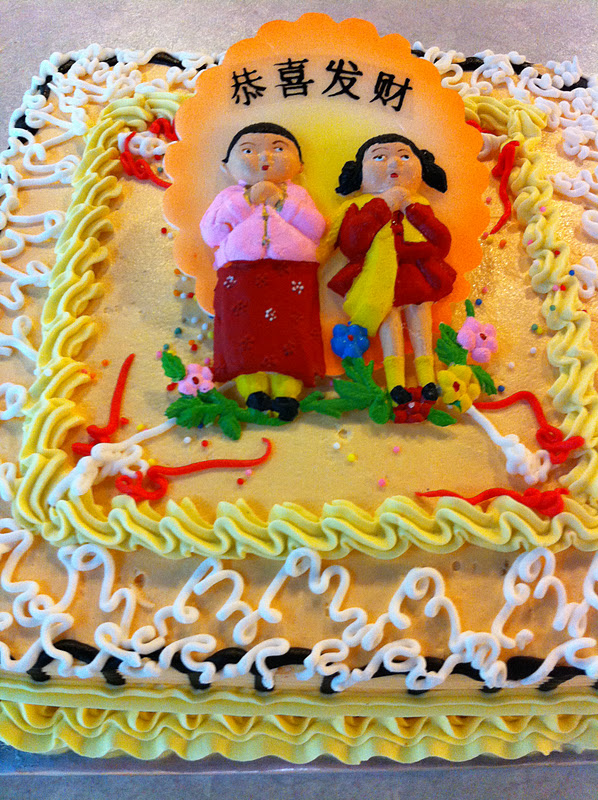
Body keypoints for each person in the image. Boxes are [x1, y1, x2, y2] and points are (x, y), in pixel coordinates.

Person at [200, 123, 326, 421]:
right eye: (248, 150)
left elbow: (316, 228)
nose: (265, 156)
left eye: (278, 148)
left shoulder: (297, 194)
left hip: (292, 273)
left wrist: (281, 202)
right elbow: (212, 232)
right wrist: (247, 201)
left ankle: (287, 389)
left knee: (290, 330)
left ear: (299, 165)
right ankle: (252, 388)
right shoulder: (229, 196)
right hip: (239, 274)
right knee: (244, 330)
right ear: (226, 167)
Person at [327, 133, 455, 405]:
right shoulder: (356, 205)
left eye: (404, 156)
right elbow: (352, 244)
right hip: (376, 277)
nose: (394, 164)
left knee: (421, 325)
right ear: (361, 171)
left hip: (415, 274)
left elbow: (441, 243)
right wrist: (384, 203)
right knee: (389, 326)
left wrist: (413, 209)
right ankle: (396, 384)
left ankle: (428, 379)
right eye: (380, 157)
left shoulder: (419, 204)